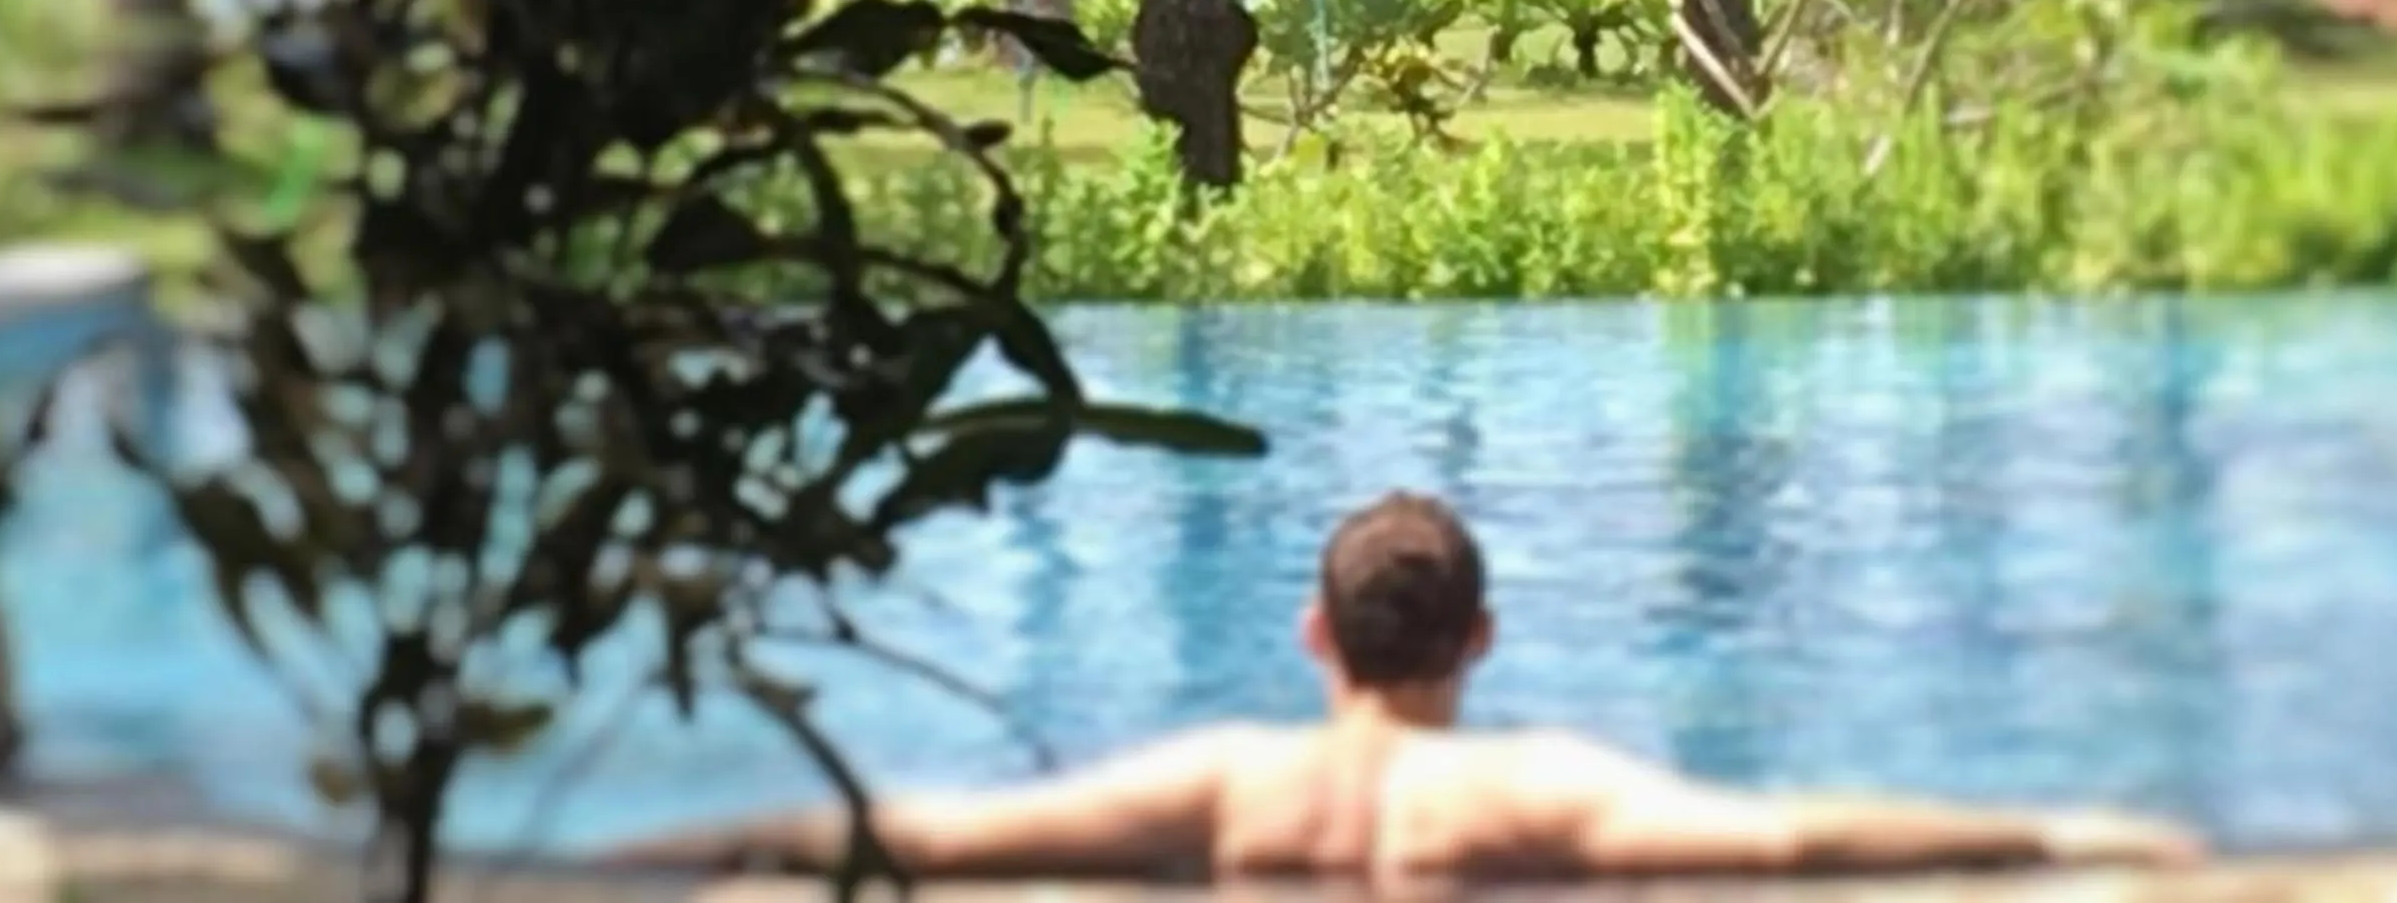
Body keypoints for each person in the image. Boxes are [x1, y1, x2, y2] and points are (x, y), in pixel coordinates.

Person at [613, 492, 2202, 884]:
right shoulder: (1520, 792)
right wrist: (2059, 833)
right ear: (1483, 640)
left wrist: (634, 856)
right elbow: (1784, 842)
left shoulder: (1237, 783)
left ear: (1316, 634)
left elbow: (939, 840)